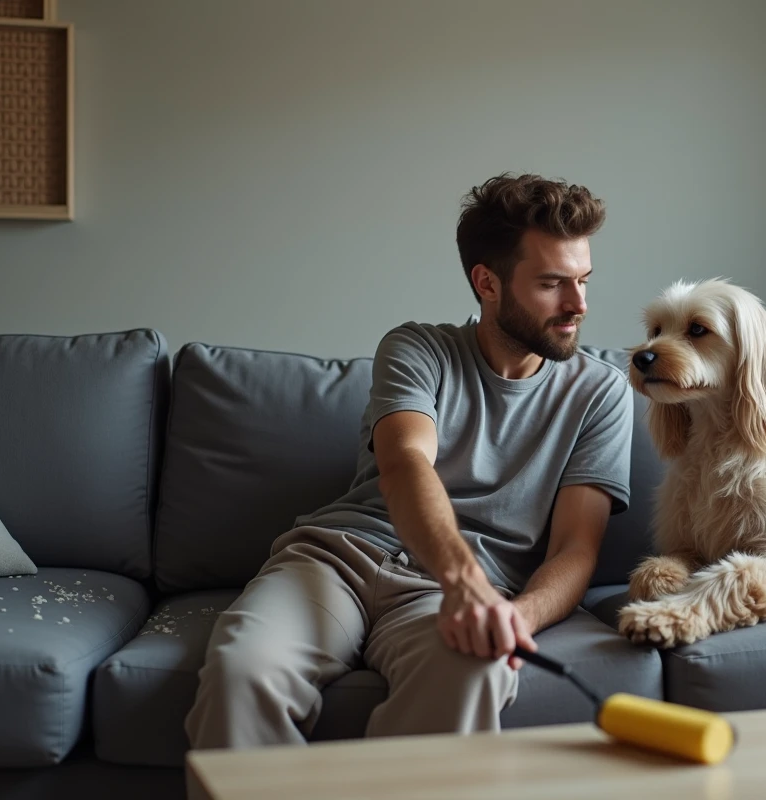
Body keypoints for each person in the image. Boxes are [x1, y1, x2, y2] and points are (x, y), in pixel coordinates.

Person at [184, 173, 633, 748]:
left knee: (478, 672)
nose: (578, 305)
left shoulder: (601, 392)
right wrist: (463, 579)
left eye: (583, 280)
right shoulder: (419, 348)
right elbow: (405, 465)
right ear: (487, 282)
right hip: (340, 560)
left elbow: (576, 547)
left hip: (447, 600)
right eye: (552, 284)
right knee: (243, 673)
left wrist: (516, 616)